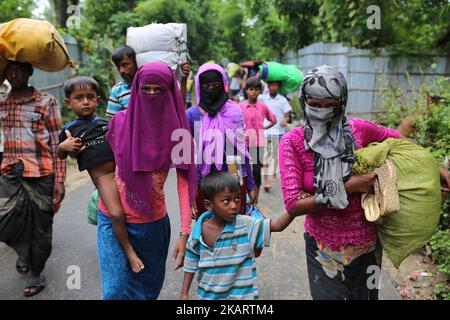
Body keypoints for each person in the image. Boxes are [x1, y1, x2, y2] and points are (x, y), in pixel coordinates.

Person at [278, 65, 403, 300]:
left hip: (367, 245)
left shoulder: (359, 131)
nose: (322, 112)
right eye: (314, 105)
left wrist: (436, 169)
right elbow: (294, 205)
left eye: (330, 106)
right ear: (303, 101)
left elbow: (399, 144)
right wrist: (351, 185)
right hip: (323, 248)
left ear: (342, 103)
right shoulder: (292, 143)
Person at [98, 62, 197, 300]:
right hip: (112, 220)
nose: (152, 95)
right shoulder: (120, 123)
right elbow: (103, 170)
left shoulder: (179, 133)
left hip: (151, 225)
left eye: (159, 90)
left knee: (145, 293)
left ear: (169, 92)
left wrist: (185, 234)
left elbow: (184, 184)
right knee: (114, 292)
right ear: (136, 89)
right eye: (146, 89)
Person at [57, 76, 144, 273]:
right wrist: (65, 146)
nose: (85, 102)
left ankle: (139, 243)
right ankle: (129, 251)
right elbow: (61, 154)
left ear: (97, 99)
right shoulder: (69, 129)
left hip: (123, 171)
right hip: (103, 176)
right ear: (68, 103)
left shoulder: (106, 123)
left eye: (90, 97)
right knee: (116, 213)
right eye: (79, 98)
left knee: (137, 210)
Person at [0, 61, 66, 297]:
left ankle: (35, 273)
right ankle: (23, 251)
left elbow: (58, 143)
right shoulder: (2, 102)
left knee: (40, 227)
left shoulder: (46, 102)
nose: (14, 74)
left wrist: (60, 179)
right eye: (9, 69)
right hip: (9, 174)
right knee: (5, 220)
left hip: (41, 175)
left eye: (19, 69)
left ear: (30, 70)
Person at [180, 170, 295, 300]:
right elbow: (190, 263)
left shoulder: (246, 225)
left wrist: (294, 209)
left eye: (237, 199)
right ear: (208, 205)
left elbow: (277, 225)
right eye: (226, 201)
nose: (234, 205)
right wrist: (184, 293)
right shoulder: (198, 232)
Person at [185, 63, 257, 218]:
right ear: (199, 86)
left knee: (236, 233)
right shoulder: (191, 116)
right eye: (207, 86)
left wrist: (251, 183)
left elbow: (242, 151)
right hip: (204, 184)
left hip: (235, 181)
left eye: (216, 85)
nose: (211, 89)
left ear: (224, 84)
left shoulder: (234, 112)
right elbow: (187, 159)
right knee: (208, 231)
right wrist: (190, 193)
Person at [239, 77, 276, 204]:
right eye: (251, 89)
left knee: (255, 171)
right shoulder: (240, 107)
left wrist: (263, 128)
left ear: (260, 91)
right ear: (246, 90)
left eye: (256, 89)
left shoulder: (263, 107)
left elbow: (273, 120)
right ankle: (245, 197)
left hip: (258, 144)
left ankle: (255, 199)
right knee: (243, 171)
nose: (253, 92)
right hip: (243, 143)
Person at [258, 80, 292, 192]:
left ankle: (273, 173)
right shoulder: (262, 98)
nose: (274, 87)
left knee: (276, 156)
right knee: (266, 157)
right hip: (266, 131)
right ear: (268, 86)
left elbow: (287, 115)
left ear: (278, 87)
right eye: (271, 85)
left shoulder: (282, 100)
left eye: (276, 85)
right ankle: (266, 181)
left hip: (279, 132)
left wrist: (285, 120)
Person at [106, 45, 138, 118]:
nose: (121, 71)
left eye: (125, 65)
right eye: (118, 67)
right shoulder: (117, 91)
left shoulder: (149, 86)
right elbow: (114, 122)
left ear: (135, 62)